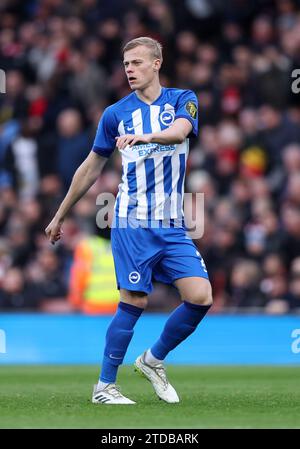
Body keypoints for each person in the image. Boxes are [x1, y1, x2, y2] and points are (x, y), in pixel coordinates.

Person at [45, 37, 213, 405]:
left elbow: (181, 131)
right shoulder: (115, 114)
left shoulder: (183, 99)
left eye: (137, 63)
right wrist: (60, 214)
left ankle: (153, 361)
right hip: (132, 221)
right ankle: (104, 387)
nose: (130, 70)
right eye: (126, 65)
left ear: (157, 63)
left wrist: (146, 136)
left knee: (200, 296)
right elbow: (91, 167)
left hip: (171, 223)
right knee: (134, 300)